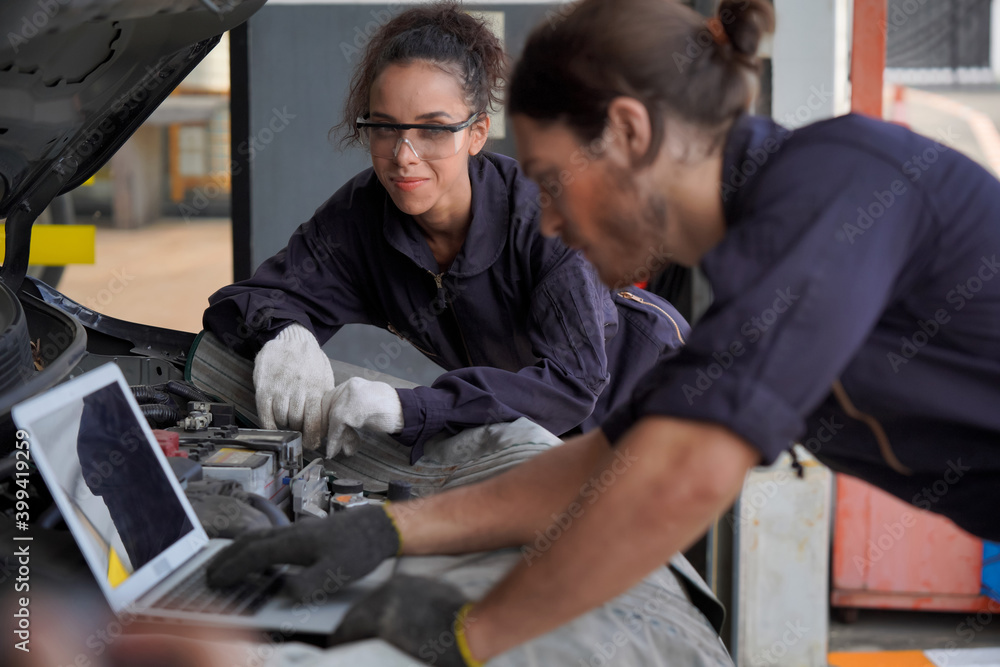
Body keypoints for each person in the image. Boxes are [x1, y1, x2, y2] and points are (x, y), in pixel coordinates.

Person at [214, 0, 1000, 663]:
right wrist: (384, 530)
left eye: (552, 182)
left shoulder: (836, 184)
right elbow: (609, 461)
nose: (547, 218)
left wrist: (471, 630)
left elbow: (679, 476)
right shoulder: (755, 279)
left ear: (628, 132)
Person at [202, 2, 687, 463]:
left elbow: (573, 382)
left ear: (476, 133)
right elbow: (246, 303)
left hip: (651, 401)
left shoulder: (542, 218)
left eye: (433, 129)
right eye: (385, 128)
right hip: (530, 430)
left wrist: (408, 409)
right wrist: (287, 335)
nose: (404, 155)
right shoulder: (363, 216)